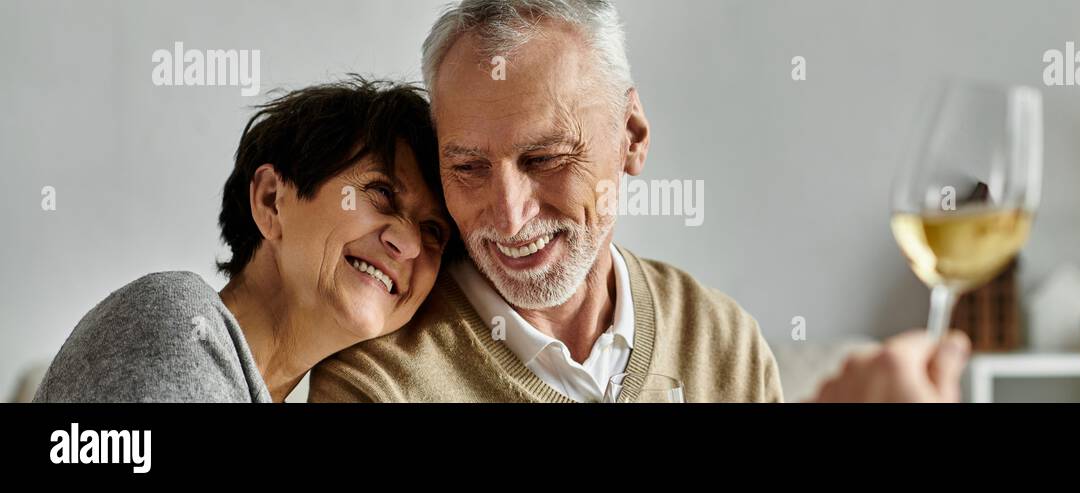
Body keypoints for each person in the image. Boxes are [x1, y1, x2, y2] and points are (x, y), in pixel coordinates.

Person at [310, 0, 970, 403]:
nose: (507, 215)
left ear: (632, 136)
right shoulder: (378, 376)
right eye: (469, 166)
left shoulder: (723, 341)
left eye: (545, 159)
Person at [35, 77, 454, 402]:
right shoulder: (178, 316)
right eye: (381, 191)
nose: (409, 243)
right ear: (271, 200)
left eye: (433, 230)